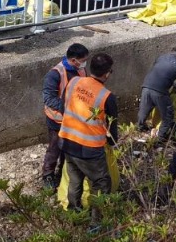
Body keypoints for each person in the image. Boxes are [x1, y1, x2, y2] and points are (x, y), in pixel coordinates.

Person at [59, 53, 118, 221]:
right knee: (101, 182)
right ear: (107, 73)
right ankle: (96, 222)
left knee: (75, 179)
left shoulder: (74, 82)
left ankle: (74, 212)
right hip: (89, 149)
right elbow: (112, 128)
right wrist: (111, 143)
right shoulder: (106, 96)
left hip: (67, 141)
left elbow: (64, 105)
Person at [41, 43, 90, 192]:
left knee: (68, 148)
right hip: (57, 120)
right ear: (74, 60)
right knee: (55, 148)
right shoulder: (55, 74)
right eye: (83, 60)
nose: (84, 63)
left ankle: (63, 171)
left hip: (74, 119)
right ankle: (48, 174)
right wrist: (69, 108)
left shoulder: (81, 70)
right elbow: (48, 99)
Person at [137, 47, 176, 143]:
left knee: (144, 109)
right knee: (168, 114)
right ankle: (161, 137)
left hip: (146, 86)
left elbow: (161, 71)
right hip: (159, 91)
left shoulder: (161, 57)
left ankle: (141, 128)